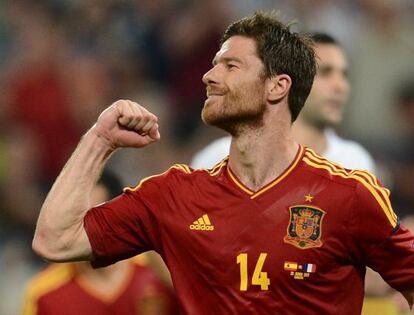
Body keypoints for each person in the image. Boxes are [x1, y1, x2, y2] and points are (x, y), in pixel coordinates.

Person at [32, 12, 414, 314]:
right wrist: (99, 140)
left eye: (230, 66)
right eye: (214, 64)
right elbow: (55, 239)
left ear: (277, 86)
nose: (209, 76)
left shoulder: (349, 195)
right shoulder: (173, 194)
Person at [191, 33, 375, 173]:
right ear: (289, 82)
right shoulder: (219, 158)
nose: (341, 86)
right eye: (326, 73)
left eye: (344, 75)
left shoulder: (355, 162)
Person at [23, 171, 178, 315]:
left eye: (97, 217)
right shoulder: (43, 294)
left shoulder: (159, 269)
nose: (87, 230)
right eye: (77, 219)